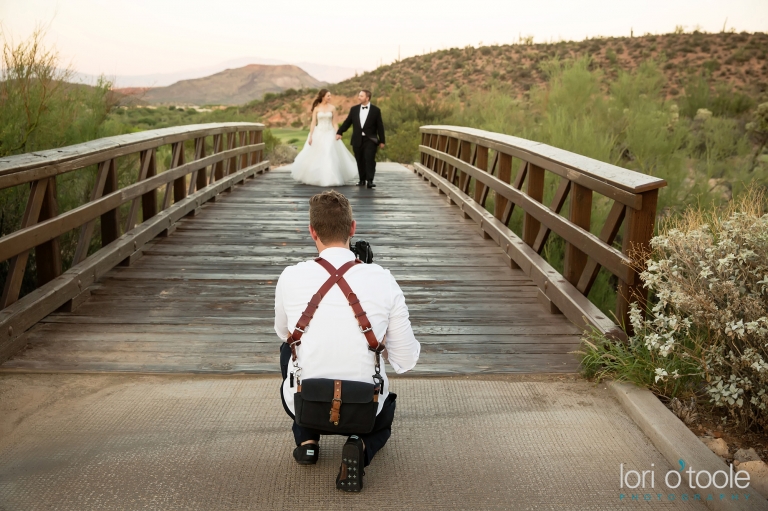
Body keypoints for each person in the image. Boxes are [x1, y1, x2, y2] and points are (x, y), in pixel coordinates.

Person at [274, 190, 420, 492]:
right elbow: (405, 360)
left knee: (288, 348)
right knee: (385, 416)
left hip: (306, 400)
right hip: (364, 406)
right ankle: (359, 445)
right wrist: (378, 339)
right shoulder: (383, 279)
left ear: (312, 231)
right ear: (352, 228)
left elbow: (282, 332)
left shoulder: (290, 276)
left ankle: (307, 440)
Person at [291, 89, 359, 187]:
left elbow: (334, 123)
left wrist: (338, 133)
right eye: (328, 96)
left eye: (330, 96)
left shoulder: (332, 108)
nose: (330, 97)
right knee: (317, 155)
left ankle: (331, 178)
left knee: (329, 152)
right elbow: (313, 123)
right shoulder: (316, 108)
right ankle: (318, 177)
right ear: (323, 96)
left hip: (330, 133)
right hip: (318, 133)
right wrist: (311, 136)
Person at [336, 90, 385, 189]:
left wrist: (382, 140)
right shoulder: (354, 109)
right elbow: (347, 122)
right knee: (359, 159)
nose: (359, 97)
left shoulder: (376, 110)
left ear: (367, 98)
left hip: (370, 139)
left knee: (369, 159)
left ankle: (370, 180)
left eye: (361, 96)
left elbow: (380, 126)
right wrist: (340, 132)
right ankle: (362, 179)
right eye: (359, 96)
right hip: (357, 138)